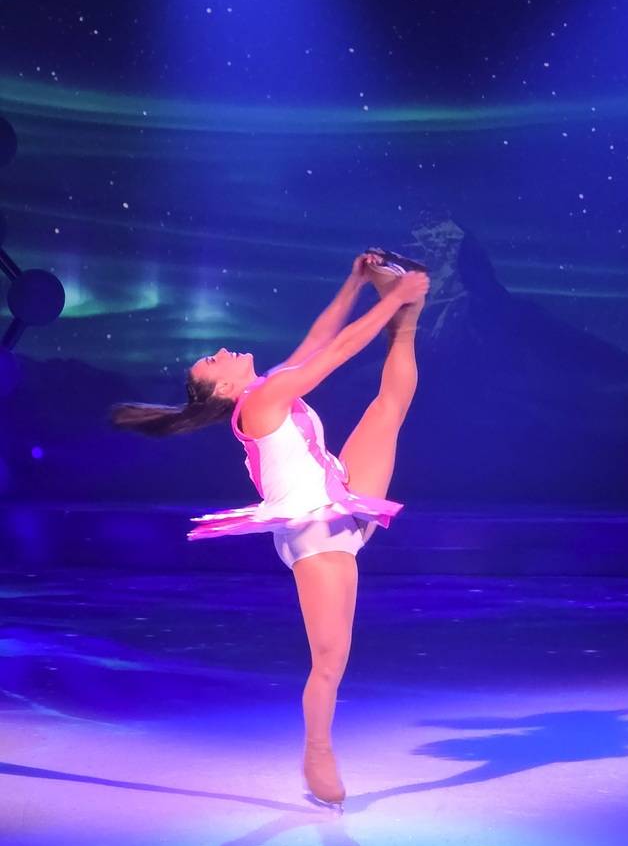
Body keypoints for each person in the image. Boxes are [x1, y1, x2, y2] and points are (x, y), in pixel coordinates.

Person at [111, 251, 429, 807]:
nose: (223, 351)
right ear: (223, 389)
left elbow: (319, 337)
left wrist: (355, 282)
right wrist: (394, 294)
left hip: (342, 492)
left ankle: (408, 323)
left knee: (390, 404)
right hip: (315, 532)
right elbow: (337, 352)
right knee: (330, 659)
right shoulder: (258, 403)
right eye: (214, 360)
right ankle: (317, 751)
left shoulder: (267, 385)